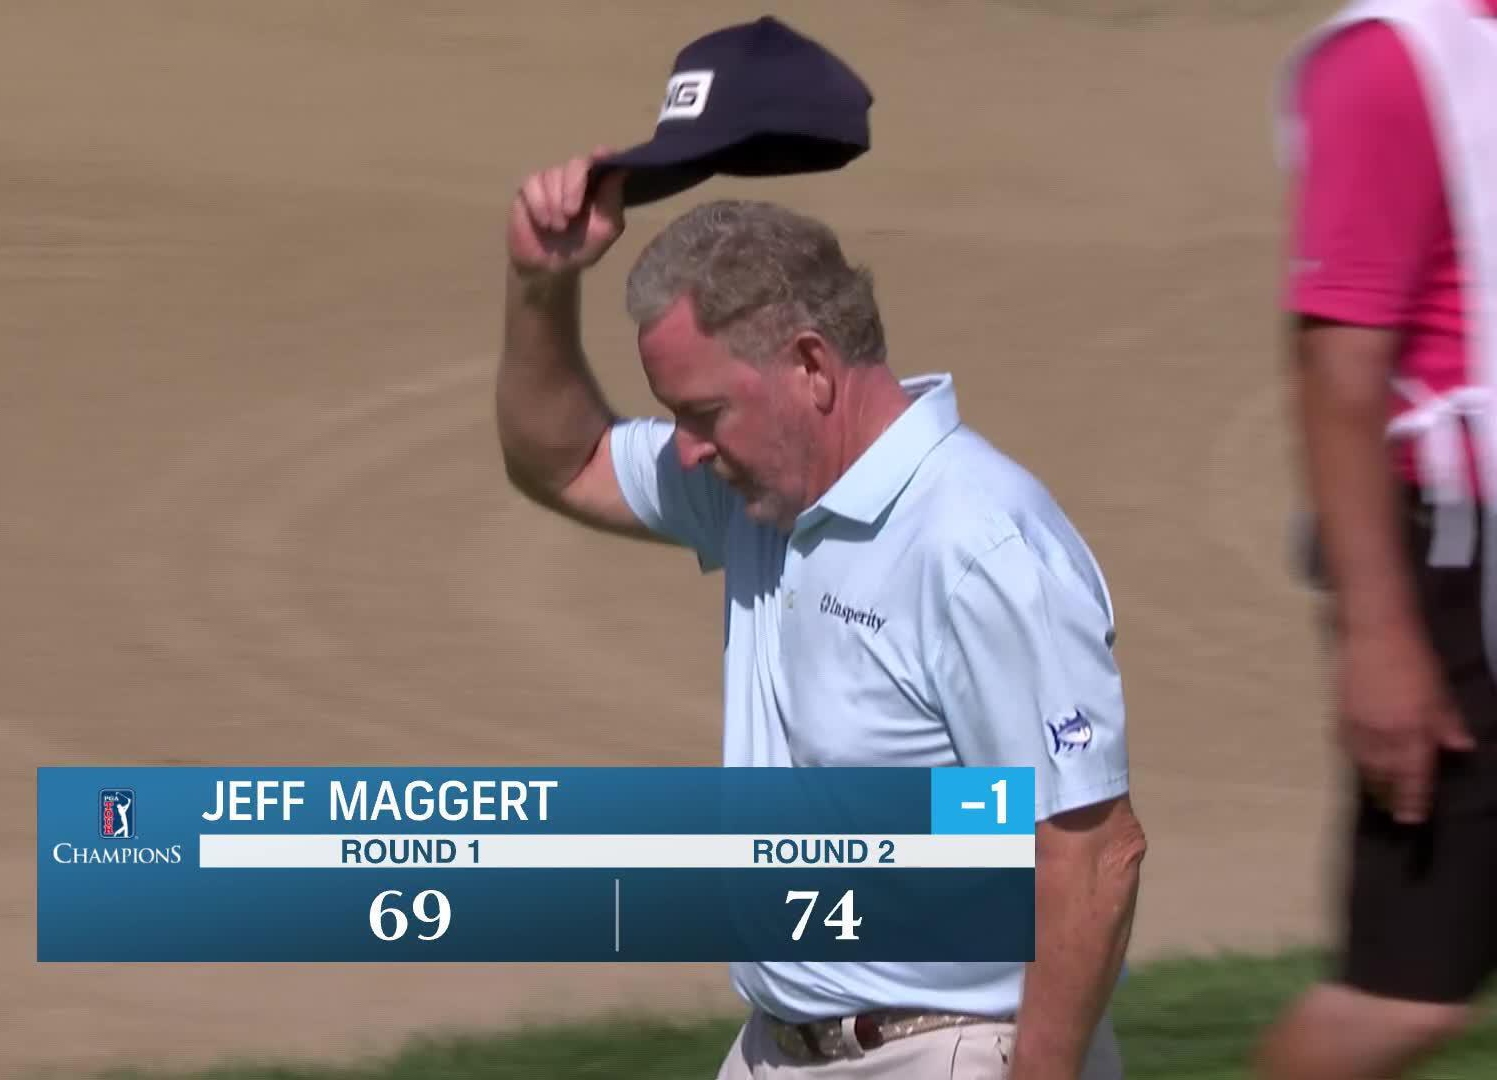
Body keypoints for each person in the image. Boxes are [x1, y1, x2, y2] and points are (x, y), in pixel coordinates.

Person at [494, 149, 1146, 1079]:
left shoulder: (975, 542)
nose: (685, 448)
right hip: (774, 1049)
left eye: (703, 412)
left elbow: (1093, 853)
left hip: (949, 1051)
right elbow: (560, 460)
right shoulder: (759, 494)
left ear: (810, 366)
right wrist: (539, 284)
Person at [1258, 2, 1497, 1077]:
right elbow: (1338, 368)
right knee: (1405, 994)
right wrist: (1379, 636)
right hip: (1458, 567)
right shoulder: (1392, 56)